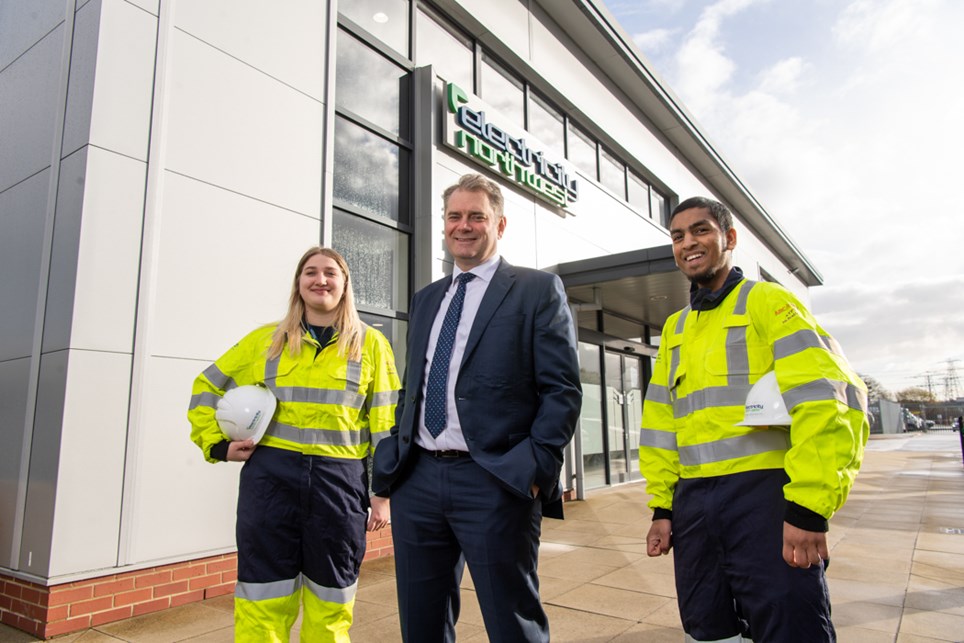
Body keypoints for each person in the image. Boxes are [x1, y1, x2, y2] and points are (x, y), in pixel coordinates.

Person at [639, 197, 869, 642]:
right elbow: (660, 422)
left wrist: (809, 507)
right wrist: (663, 507)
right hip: (693, 508)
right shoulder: (675, 328)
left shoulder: (768, 302)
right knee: (708, 629)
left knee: (790, 625)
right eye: (678, 236)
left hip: (765, 498)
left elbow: (830, 400)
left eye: (700, 230)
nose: (688, 242)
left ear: (729, 238)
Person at [372, 173, 582, 642]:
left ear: (500, 225)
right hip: (418, 479)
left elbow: (562, 389)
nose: (463, 226)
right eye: (454, 216)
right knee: (421, 622)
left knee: (512, 622)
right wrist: (393, 461)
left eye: (476, 216)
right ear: (444, 224)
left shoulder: (536, 290)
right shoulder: (428, 299)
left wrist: (532, 467)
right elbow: (416, 388)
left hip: (496, 481)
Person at [188, 247, 400, 642]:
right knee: (262, 596)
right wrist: (218, 446)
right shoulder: (264, 341)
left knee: (331, 598)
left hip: (339, 485)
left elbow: (386, 425)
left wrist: (383, 492)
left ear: (345, 283)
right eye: (311, 272)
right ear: (298, 284)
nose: (321, 280)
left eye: (330, 273)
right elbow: (207, 387)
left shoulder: (371, 344)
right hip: (270, 481)